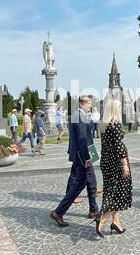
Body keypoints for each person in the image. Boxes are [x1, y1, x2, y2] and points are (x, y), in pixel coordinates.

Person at [50, 96, 99, 227]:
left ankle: (93, 210)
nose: (90, 105)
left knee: (92, 182)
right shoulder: (80, 116)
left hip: (83, 155)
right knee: (78, 185)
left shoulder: (79, 115)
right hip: (82, 156)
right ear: (82, 103)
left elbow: (85, 138)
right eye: (89, 103)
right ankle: (58, 212)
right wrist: (87, 158)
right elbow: (83, 139)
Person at [93, 99, 132, 238]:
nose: (121, 109)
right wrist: (125, 164)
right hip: (116, 162)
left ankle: (116, 223)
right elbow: (119, 145)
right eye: (120, 107)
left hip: (106, 162)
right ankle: (101, 220)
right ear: (115, 109)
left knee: (111, 191)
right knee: (119, 193)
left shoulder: (103, 124)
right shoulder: (115, 124)